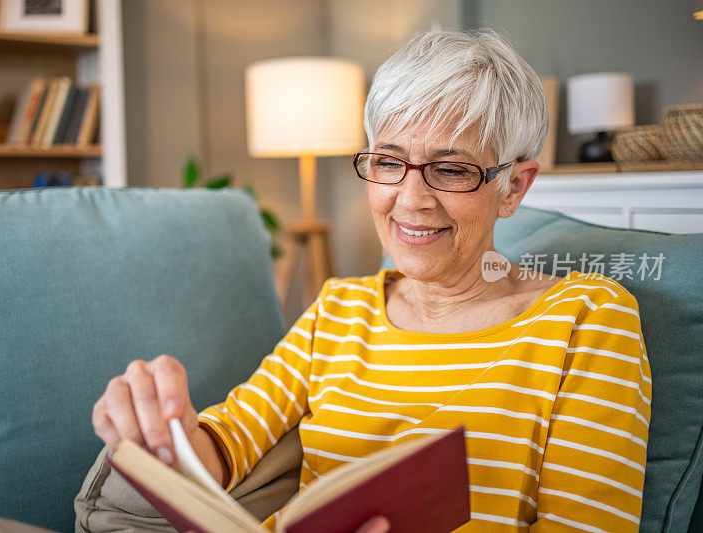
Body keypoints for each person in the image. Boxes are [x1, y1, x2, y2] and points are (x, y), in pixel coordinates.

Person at [92, 29, 651, 531]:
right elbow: (229, 440)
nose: (410, 200)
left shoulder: (588, 319)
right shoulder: (339, 308)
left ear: (514, 187)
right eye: (388, 161)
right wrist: (166, 432)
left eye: (451, 168)